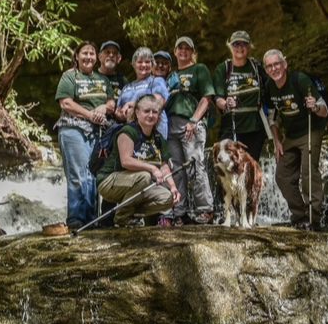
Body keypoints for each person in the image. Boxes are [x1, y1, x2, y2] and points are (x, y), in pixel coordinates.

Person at [263, 48, 328, 229]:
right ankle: (300, 216)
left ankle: (313, 219)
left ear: (284, 64)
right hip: (290, 135)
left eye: (276, 64)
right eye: (269, 66)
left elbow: (324, 110)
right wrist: (276, 141)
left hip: (311, 130)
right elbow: (272, 117)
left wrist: (314, 106)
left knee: (308, 172)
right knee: (282, 176)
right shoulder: (269, 86)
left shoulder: (299, 80)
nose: (274, 69)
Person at [54, 41, 116, 230]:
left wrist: (103, 108)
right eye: (85, 53)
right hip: (73, 128)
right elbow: (65, 103)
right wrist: (90, 115)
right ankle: (76, 218)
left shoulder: (102, 79)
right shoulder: (70, 76)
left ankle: (91, 217)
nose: (88, 57)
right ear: (77, 56)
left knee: (92, 175)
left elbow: (112, 103)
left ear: (97, 58)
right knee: (78, 174)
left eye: (92, 53)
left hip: (98, 132)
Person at [96, 94, 179, 227]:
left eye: (155, 112)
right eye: (146, 111)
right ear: (137, 112)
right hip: (109, 182)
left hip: (137, 184)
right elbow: (126, 161)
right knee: (145, 177)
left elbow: (163, 165)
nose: (151, 115)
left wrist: (173, 187)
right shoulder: (128, 132)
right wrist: (152, 168)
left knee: (167, 198)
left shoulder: (157, 138)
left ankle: (132, 215)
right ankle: (122, 218)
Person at [165, 35, 216, 224]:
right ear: (175, 51)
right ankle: (180, 211)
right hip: (171, 126)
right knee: (176, 169)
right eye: (180, 48)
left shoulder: (199, 69)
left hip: (190, 124)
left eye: (188, 48)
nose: (183, 51)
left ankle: (205, 209)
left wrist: (194, 120)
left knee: (195, 166)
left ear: (192, 52)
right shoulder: (171, 76)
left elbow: (206, 97)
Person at [213, 30, 269, 162]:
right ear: (230, 47)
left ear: (249, 47)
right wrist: (226, 103)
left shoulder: (256, 67)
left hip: (254, 128)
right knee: (228, 165)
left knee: (250, 167)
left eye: (243, 44)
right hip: (231, 127)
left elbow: (270, 89)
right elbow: (217, 98)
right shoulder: (224, 68)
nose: (239, 48)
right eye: (236, 44)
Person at [115, 47, 170, 138]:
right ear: (133, 64)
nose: (144, 65)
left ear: (152, 65)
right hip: (130, 133)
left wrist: (132, 105)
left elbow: (159, 101)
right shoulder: (126, 87)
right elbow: (118, 110)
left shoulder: (157, 81)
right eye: (140, 62)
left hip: (153, 132)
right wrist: (121, 114)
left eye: (147, 62)